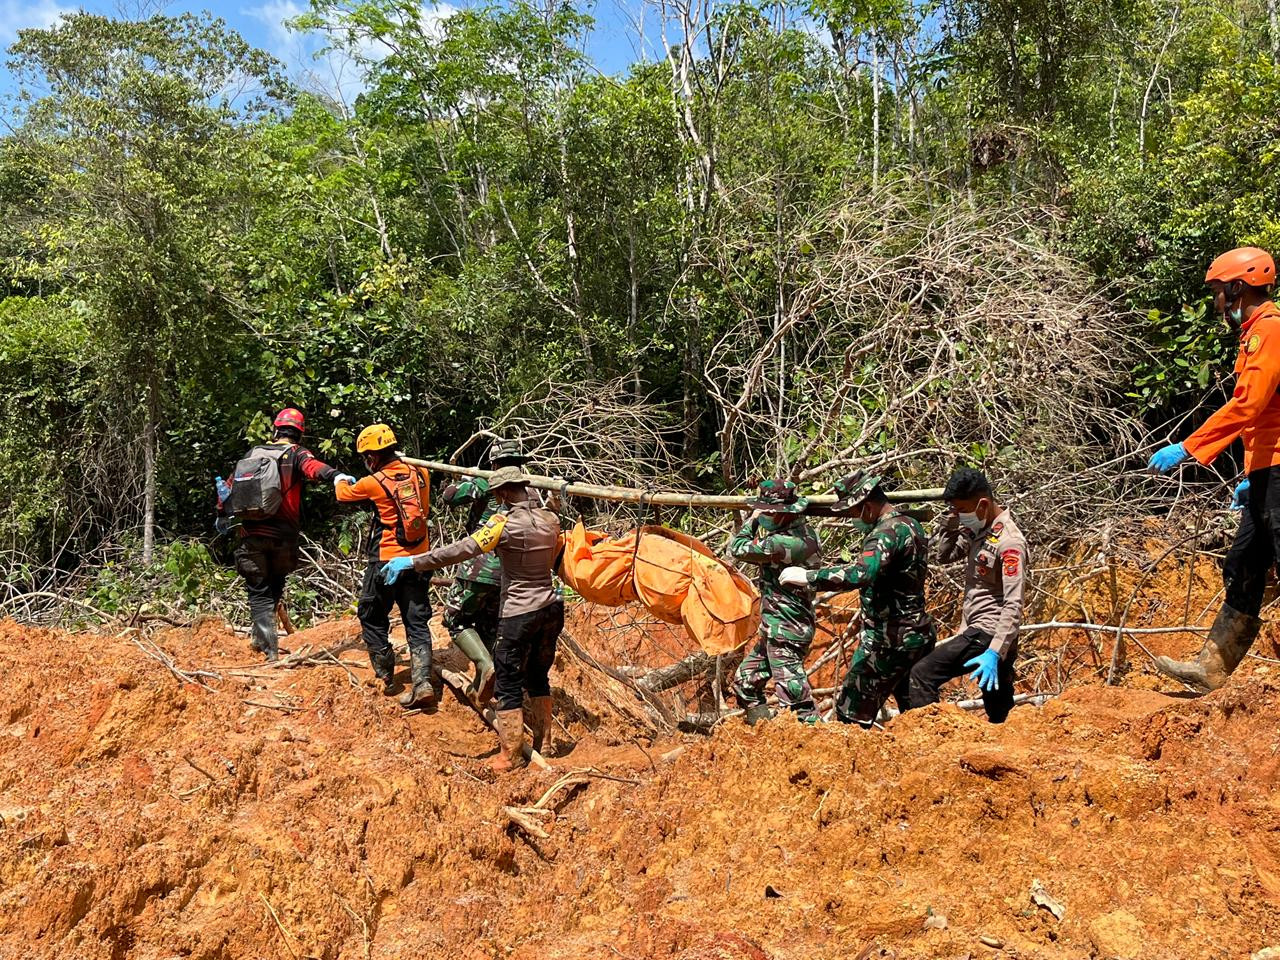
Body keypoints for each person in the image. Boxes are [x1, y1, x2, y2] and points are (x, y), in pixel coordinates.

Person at [1148, 246, 1280, 691]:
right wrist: (1250, 476)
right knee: (1243, 560)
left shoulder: (1271, 332)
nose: (1217, 302)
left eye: (1219, 292)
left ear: (1238, 287)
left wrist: (1188, 447)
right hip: (1267, 469)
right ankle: (1212, 668)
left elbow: (1249, 405)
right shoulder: (1254, 336)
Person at [383, 466, 562, 772]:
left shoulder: (502, 524)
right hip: (553, 609)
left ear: (503, 493)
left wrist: (413, 562)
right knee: (537, 675)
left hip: (519, 612)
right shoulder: (550, 520)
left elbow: (461, 551)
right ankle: (546, 743)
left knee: (507, 681)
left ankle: (511, 755)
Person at [780, 471, 934, 727]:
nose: (853, 518)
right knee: (918, 716)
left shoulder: (884, 534)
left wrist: (809, 577)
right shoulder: (911, 525)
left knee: (850, 714)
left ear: (869, 506)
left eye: (853, 511)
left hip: (889, 640)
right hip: (918, 635)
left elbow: (861, 574)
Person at [220, 408, 348, 662]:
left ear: (276, 430)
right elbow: (313, 468)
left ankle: (267, 647)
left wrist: (221, 514)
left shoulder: (253, 453)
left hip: (252, 533)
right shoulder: (296, 454)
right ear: (299, 434)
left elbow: (227, 488)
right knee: (276, 582)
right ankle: (265, 644)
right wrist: (335, 476)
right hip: (284, 535)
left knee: (258, 590)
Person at [907, 468, 1028, 723]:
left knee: (922, 675)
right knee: (998, 708)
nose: (961, 516)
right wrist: (951, 523)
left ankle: (930, 740)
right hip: (982, 633)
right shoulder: (980, 532)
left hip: (988, 633)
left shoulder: (1009, 542)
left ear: (982, 504)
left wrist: (995, 651)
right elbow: (945, 555)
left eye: (962, 510)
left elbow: (1014, 603)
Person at [334, 424, 435, 708]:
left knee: (371, 612)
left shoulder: (372, 482)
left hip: (386, 559)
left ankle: (384, 673)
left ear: (372, 456)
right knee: (416, 620)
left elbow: (343, 494)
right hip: (419, 559)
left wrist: (340, 478)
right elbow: (423, 511)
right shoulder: (421, 473)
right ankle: (423, 680)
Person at [436, 438, 532, 704]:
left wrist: (459, 479)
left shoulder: (486, 482)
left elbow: (450, 497)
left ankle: (484, 665)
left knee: (455, 620)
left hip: (478, 567)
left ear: (494, 463)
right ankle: (488, 685)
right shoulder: (531, 489)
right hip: (510, 572)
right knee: (490, 626)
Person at [729, 479, 822, 724]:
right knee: (746, 682)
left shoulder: (783, 543)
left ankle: (816, 743)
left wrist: (754, 519)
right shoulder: (802, 532)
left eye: (770, 512)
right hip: (776, 627)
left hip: (787, 630)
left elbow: (737, 548)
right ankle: (764, 736)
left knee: (795, 700)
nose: (767, 516)